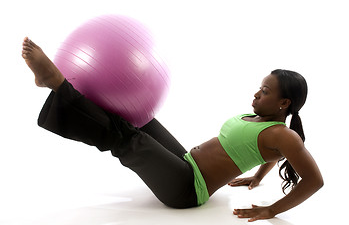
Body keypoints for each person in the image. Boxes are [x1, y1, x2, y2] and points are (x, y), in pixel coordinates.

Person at [22, 37, 323, 222]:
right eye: (260, 87)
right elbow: (270, 154)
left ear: (284, 102)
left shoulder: (284, 135)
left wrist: (270, 210)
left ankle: (57, 84)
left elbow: (314, 181)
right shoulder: (263, 121)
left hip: (187, 189)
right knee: (141, 119)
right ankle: (70, 92)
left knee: (128, 139)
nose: (257, 93)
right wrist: (256, 177)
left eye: (266, 91)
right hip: (186, 163)